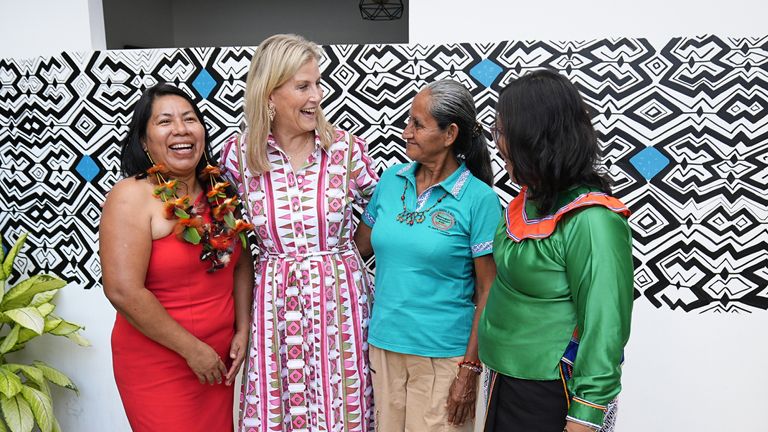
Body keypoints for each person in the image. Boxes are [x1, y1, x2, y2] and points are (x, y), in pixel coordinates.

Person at [218, 34, 379, 432]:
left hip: (340, 304)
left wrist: (349, 251)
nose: (317, 96)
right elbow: (226, 236)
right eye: (303, 86)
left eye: (318, 84)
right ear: (270, 94)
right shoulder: (238, 157)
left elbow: (385, 206)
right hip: (274, 305)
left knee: (343, 406)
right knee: (282, 409)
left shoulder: (345, 149)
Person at [478, 69, 634, 432]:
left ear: (535, 138)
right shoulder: (528, 201)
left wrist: (584, 418)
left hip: (551, 389)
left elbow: (604, 328)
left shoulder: (593, 220)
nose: (499, 144)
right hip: (504, 378)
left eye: (504, 133)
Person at [101, 83, 254, 432]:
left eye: (189, 119)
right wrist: (192, 350)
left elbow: (242, 260)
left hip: (217, 364)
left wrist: (243, 326)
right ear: (144, 140)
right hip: (160, 364)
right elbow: (123, 291)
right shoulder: (131, 197)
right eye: (165, 121)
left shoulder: (219, 191)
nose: (181, 129)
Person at [354, 79, 501, 432]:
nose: (406, 132)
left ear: (450, 134)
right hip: (384, 349)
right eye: (408, 122)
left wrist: (469, 367)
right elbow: (355, 249)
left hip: (443, 357)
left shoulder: (479, 199)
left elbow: (488, 290)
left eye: (417, 124)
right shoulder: (391, 181)